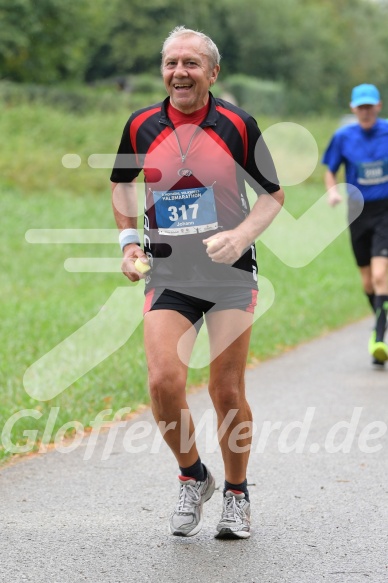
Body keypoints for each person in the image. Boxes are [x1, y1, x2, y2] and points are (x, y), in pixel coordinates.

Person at [110, 26, 284, 539]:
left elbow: (274, 197)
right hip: (168, 271)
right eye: (171, 63)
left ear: (213, 72)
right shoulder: (141, 124)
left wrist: (241, 235)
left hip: (229, 274)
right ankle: (193, 475)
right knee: (164, 382)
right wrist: (128, 243)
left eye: (191, 63)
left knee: (225, 388)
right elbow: (122, 181)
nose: (179, 72)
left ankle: (236, 493)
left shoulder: (238, 124)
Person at [323, 83, 388, 367]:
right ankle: (381, 319)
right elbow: (330, 169)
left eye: (369, 106)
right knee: (366, 280)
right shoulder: (343, 136)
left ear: (378, 106)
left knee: (379, 275)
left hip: (385, 210)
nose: (365, 111)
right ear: (353, 108)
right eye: (360, 107)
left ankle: (379, 336)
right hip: (357, 211)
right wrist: (333, 191)